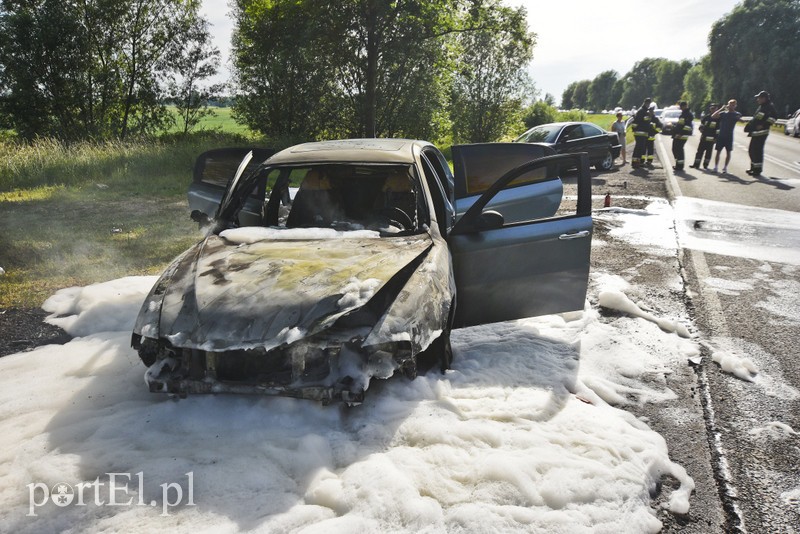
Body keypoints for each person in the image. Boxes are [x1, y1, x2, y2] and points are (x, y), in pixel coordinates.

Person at [744, 90, 778, 176]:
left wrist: (764, 125)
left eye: (759, 98)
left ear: (764, 98)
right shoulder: (762, 106)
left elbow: (774, 118)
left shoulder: (769, 107)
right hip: (756, 133)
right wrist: (749, 126)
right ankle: (753, 167)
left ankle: (757, 170)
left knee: (757, 151)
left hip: (762, 133)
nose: (757, 100)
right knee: (751, 150)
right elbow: (756, 118)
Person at [711, 99, 742, 174]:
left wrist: (740, 119)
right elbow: (713, 116)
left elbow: (740, 119)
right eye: (730, 104)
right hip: (721, 135)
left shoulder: (736, 114)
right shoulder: (723, 113)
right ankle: (716, 167)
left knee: (728, 152)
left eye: (733, 105)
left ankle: (725, 167)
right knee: (718, 151)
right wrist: (721, 108)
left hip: (729, 136)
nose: (731, 106)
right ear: (728, 105)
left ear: (735, 106)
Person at [691, 103, 719, 169]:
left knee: (708, 153)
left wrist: (716, 138)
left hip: (711, 139)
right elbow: (702, 124)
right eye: (711, 108)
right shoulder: (707, 117)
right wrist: (700, 128)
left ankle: (705, 165)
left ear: (716, 109)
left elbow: (718, 130)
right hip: (703, 138)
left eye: (714, 108)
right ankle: (696, 164)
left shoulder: (718, 119)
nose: (712, 110)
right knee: (699, 152)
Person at [671, 101, 693, 171]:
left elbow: (687, 126)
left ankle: (680, 166)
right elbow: (680, 124)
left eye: (682, 106)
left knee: (679, 150)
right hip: (678, 135)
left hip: (682, 135)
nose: (681, 108)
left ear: (685, 106)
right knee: (675, 149)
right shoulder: (683, 114)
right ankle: (678, 164)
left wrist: (681, 134)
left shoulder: (688, 115)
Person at [630, 98, 652, 168]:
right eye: (647, 103)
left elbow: (646, 121)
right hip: (640, 133)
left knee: (641, 148)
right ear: (645, 103)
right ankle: (635, 162)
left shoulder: (645, 111)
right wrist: (634, 129)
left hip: (643, 133)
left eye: (649, 103)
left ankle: (637, 162)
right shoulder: (641, 111)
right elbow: (636, 121)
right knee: (638, 148)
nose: (648, 105)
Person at [644, 104, 661, 168]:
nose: (650, 113)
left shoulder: (655, 119)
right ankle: (642, 161)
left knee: (650, 150)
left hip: (651, 137)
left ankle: (649, 161)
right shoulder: (646, 118)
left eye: (651, 111)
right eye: (649, 111)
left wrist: (654, 132)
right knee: (643, 149)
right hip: (644, 137)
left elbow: (659, 127)